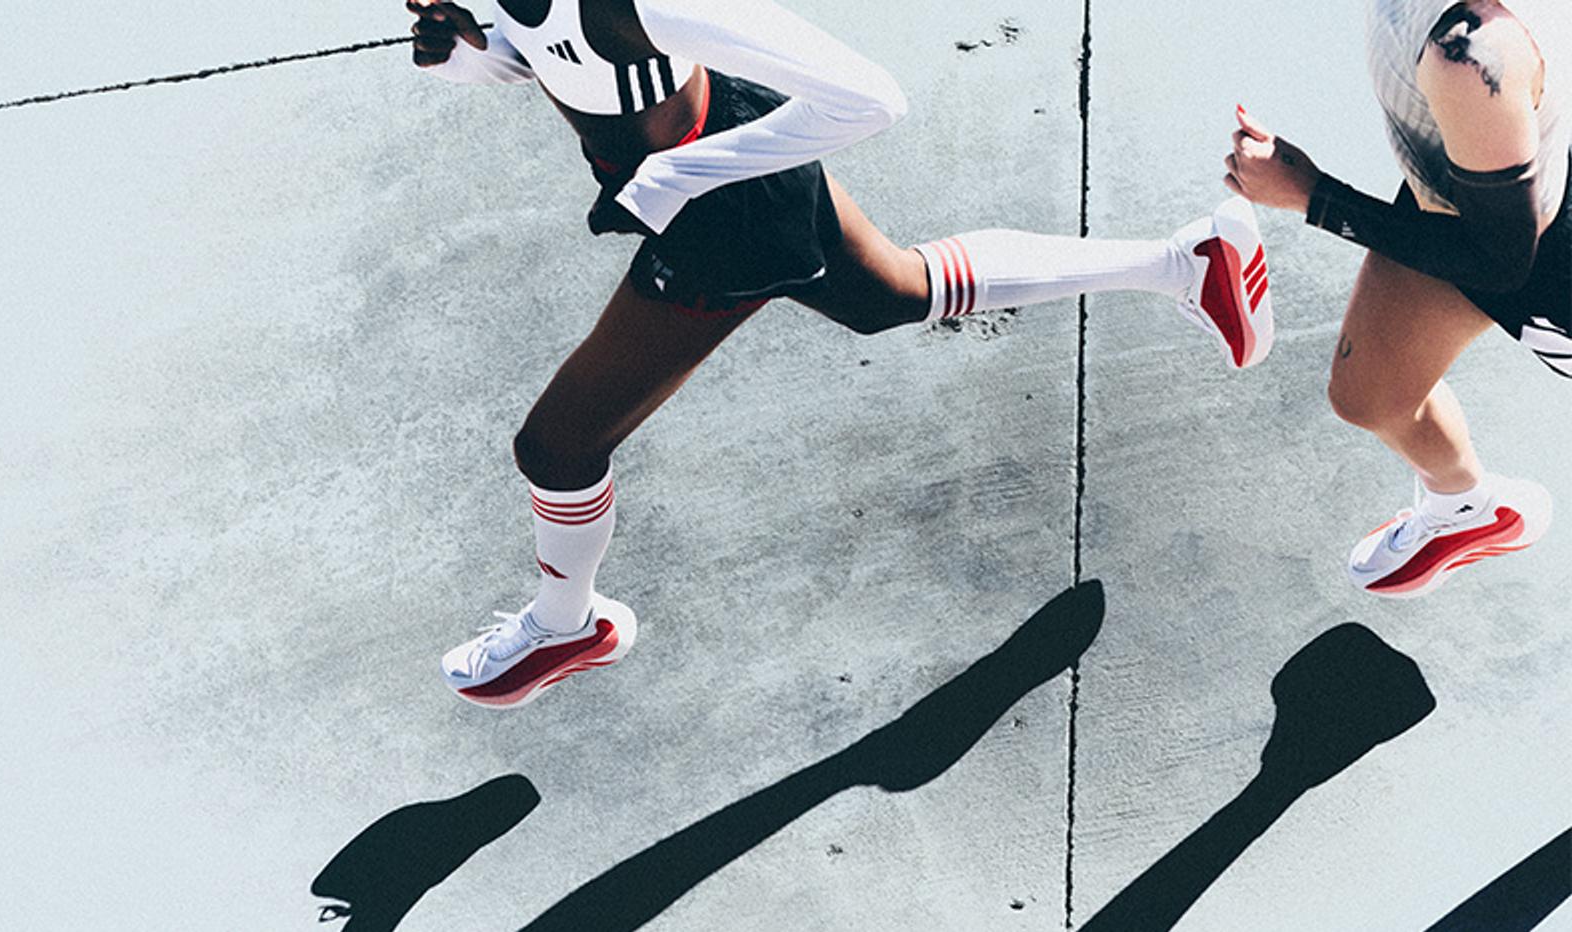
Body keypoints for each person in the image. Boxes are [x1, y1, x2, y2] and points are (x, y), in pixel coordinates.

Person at [409, 0, 1275, 707]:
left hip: (722, 217)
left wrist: (681, 179)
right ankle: (1184, 264)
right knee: (893, 292)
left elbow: (870, 98)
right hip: (724, 166)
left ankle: (570, 624)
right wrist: (474, 53)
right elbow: (553, 57)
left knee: (556, 447)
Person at [1225, 0, 1566, 599]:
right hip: (1470, 187)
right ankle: (1468, 509)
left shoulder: (1471, 54)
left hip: (1535, 256)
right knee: (1369, 395)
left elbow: (1500, 262)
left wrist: (1314, 198)